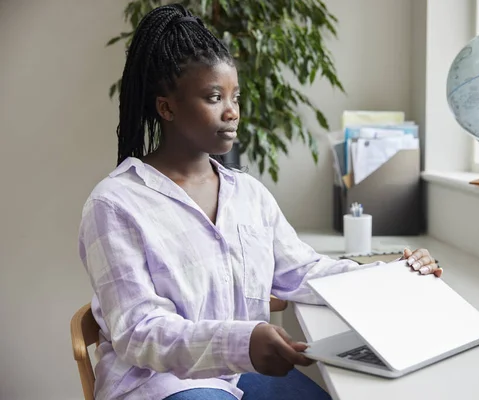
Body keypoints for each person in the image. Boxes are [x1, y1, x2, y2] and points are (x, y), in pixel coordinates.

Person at [78, 4, 442, 400]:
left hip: (236, 374)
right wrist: (243, 342)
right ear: (166, 107)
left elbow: (302, 272)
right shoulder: (115, 204)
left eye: (236, 96)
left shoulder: (248, 195)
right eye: (214, 97)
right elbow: (137, 331)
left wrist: (393, 274)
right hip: (155, 384)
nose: (232, 111)